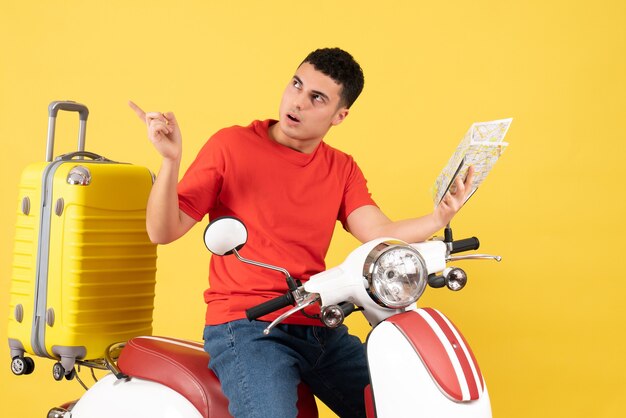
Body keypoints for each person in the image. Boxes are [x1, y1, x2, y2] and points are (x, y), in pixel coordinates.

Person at [130, 47, 474, 418]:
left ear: (339, 115)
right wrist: (170, 160)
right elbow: (161, 230)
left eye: (317, 98)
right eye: (296, 85)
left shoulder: (340, 168)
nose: (298, 102)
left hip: (319, 321)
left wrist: (439, 216)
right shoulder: (231, 145)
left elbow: (379, 231)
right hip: (248, 327)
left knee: (401, 406)